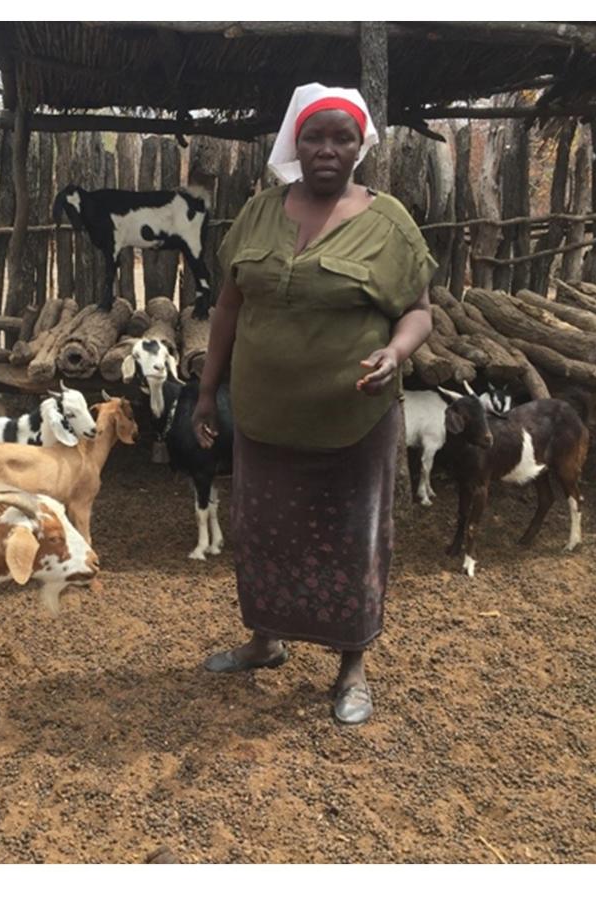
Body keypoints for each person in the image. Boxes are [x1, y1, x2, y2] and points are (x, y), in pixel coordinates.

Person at [194, 83, 435, 725]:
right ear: (294, 143)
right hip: (266, 417)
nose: (327, 149)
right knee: (262, 533)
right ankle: (265, 640)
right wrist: (205, 391)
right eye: (314, 137)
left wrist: (395, 354)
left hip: (351, 422)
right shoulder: (259, 213)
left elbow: (417, 310)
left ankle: (351, 666)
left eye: (342, 138)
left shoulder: (388, 224)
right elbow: (228, 306)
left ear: (361, 147)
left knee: (351, 541)